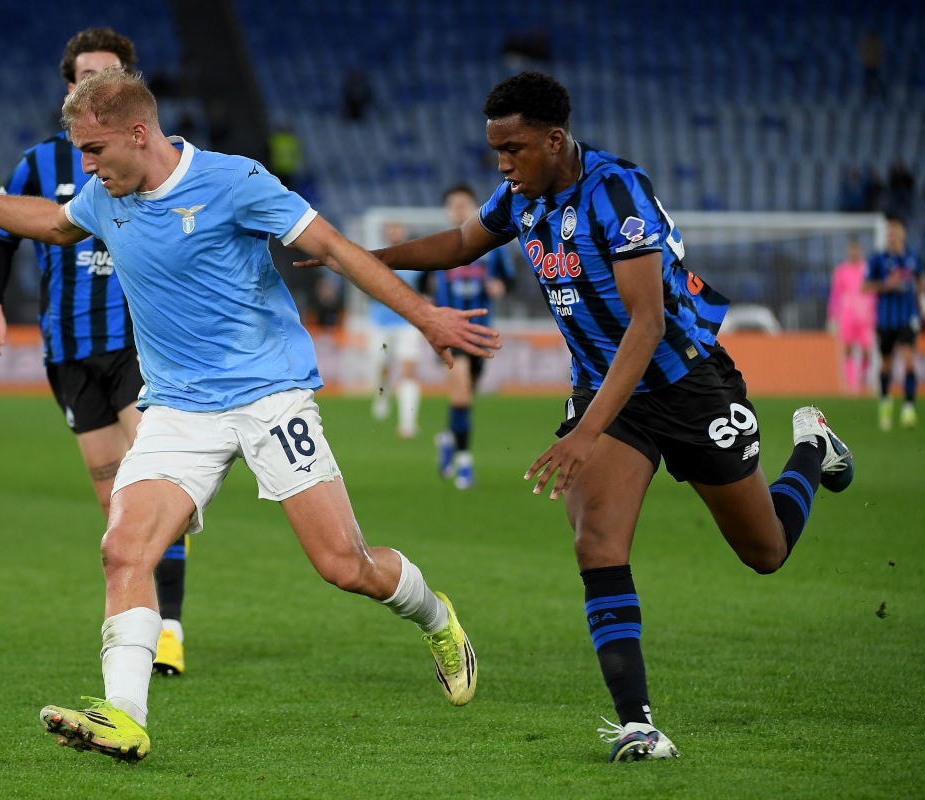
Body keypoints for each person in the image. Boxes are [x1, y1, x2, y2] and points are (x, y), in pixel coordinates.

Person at [0, 65, 497, 763]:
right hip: (178, 408)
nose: (84, 167)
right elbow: (53, 224)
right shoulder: (105, 195)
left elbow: (333, 248)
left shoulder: (234, 182)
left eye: (93, 151)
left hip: (270, 393)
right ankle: (124, 716)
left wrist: (425, 316)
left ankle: (437, 617)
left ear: (138, 131)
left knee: (344, 564)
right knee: (123, 548)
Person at [341, 71, 854, 762]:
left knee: (766, 552)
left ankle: (812, 446)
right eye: (495, 150)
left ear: (555, 140)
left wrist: (584, 435)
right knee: (597, 544)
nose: (502, 164)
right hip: (607, 396)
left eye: (514, 149)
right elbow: (461, 243)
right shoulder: (523, 197)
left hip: (686, 383)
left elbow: (645, 326)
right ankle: (639, 724)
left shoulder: (617, 193)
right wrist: (359, 261)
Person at [0, 28, 190, 677]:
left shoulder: (158, 158)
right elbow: (1, 234)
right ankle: (140, 625)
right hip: (67, 350)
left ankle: (170, 631)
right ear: (69, 88)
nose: (95, 86)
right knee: (115, 505)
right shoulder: (39, 163)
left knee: (155, 486)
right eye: (84, 77)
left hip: (136, 346)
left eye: (109, 75)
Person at [431, 185, 516, 489]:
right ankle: (465, 463)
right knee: (463, 395)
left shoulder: (492, 248)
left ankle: (447, 437)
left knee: (465, 398)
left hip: (481, 331)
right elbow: (422, 281)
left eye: (464, 204)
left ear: (475, 206)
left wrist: (501, 286)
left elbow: (510, 279)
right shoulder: (438, 245)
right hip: (449, 333)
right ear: (447, 211)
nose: (458, 209)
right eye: (452, 205)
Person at [863, 218, 922, 430]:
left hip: (908, 317)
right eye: (890, 233)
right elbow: (865, 285)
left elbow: (920, 282)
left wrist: (917, 287)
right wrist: (887, 285)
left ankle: (908, 408)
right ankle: (886, 402)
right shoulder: (878, 259)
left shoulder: (913, 256)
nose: (892, 236)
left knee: (908, 360)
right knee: (886, 363)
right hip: (886, 319)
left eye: (896, 232)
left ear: (903, 234)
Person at [366, 222, 424, 438]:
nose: (395, 232)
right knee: (382, 365)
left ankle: (408, 423)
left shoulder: (415, 258)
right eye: (392, 229)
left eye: (398, 228)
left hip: (408, 323)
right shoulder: (376, 258)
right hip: (381, 323)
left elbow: (427, 286)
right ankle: (383, 393)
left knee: (409, 369)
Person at [827, 240, 876, 394]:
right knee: (847, 350)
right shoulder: (841, 271)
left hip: (865, 317)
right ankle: (851, 386)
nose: (853, 253)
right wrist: (832, 316)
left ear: (860, 251)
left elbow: (874, 292)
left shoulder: (867, 269)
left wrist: (875, 311)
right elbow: (835, 295)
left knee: (866, 350)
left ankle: (863, 378)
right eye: (851, 250)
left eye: (856, 250)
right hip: (847, 316)